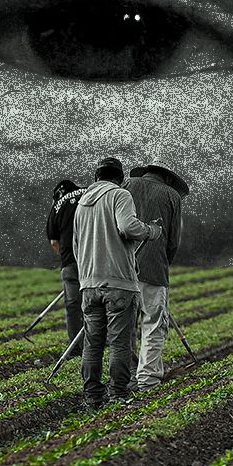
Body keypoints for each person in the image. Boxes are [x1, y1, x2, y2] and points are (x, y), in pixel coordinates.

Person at [70, 157, 165, 408]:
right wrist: (151, 231)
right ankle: (119, 393)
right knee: (120, 342)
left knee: (93, 343)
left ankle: (92, 396)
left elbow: (76, 246)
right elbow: (128, 227)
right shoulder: (120, 195)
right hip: (119, 283)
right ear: (120, 178)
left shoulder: (81, 204)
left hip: (89, 284)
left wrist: (86, 278)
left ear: (96, 177)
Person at [127, 164, 188, 390]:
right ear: (168, 178)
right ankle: (148, 379)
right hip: (154, 270)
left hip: (121, 269)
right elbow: (173, 241)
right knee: (153, 324)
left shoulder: (126, 186)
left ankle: (126, 376)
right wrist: (163, 262)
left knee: (124, 326)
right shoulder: (172, 196)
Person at [45, 179, 82, 346]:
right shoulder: (90, 193)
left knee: (73, 306)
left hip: (71, 262)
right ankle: (102, 343)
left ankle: (75, 346)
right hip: (97, 260)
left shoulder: (57, 205)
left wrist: (66, 257)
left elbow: (54, 242)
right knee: (99, 304)